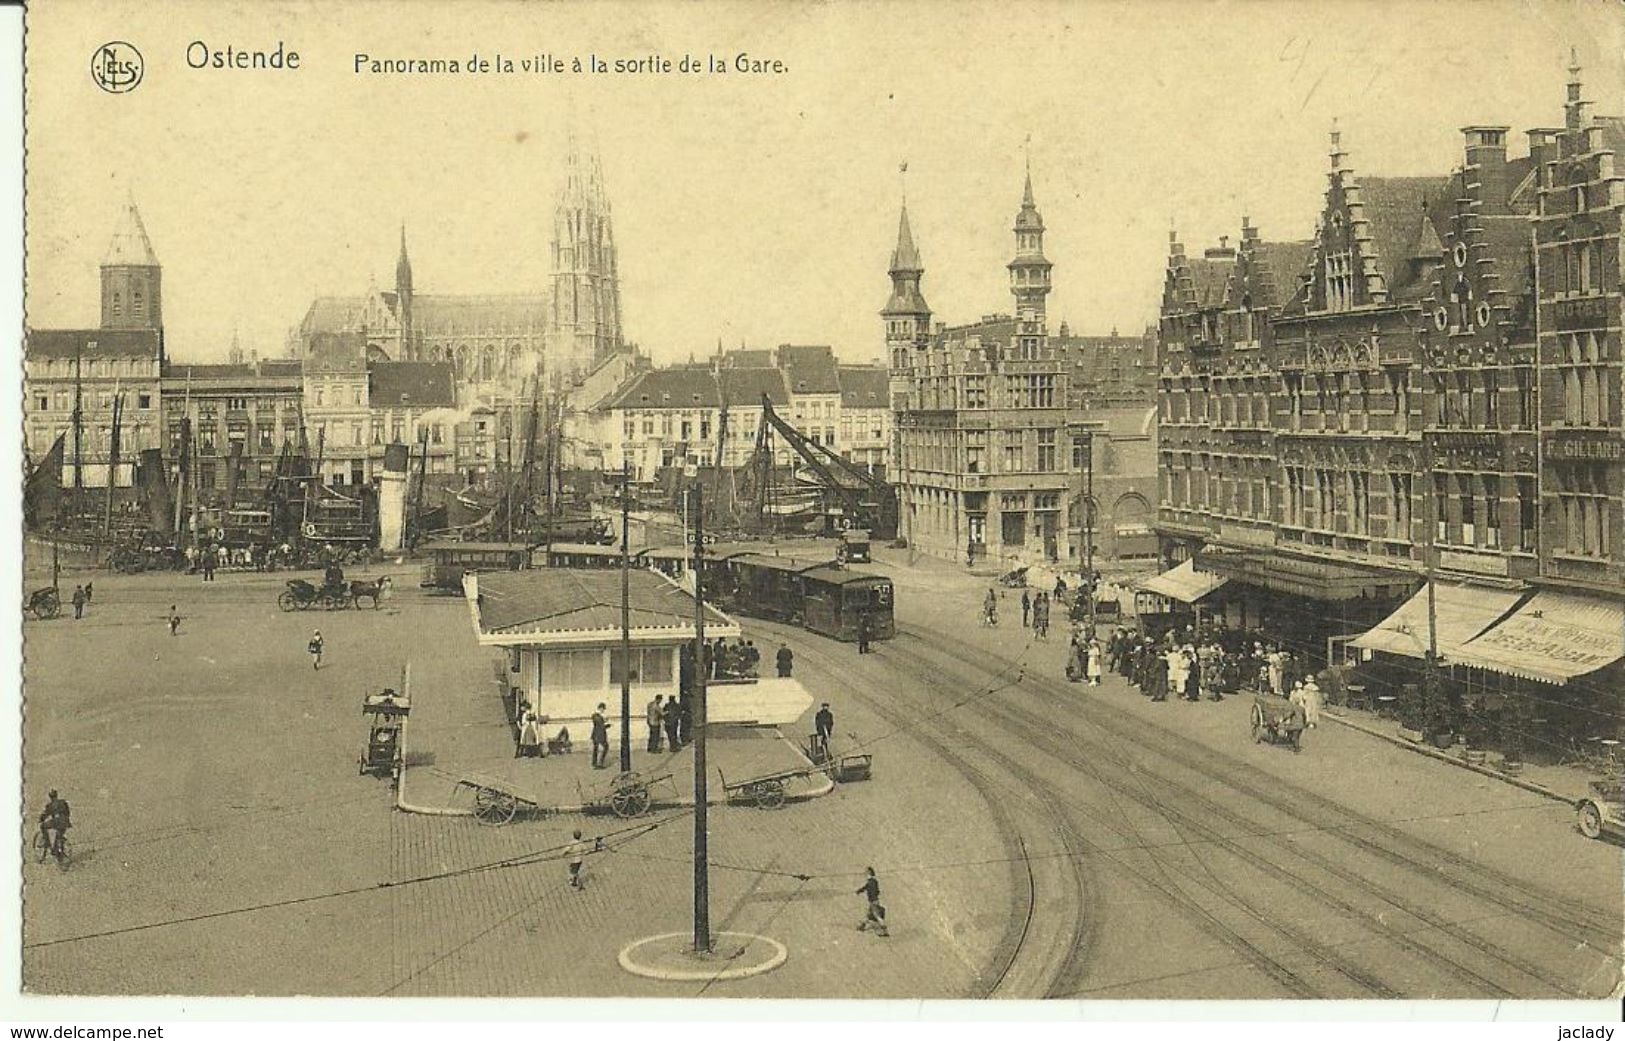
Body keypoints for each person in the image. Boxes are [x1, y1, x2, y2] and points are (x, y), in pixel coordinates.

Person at [856, 867, 888, 937]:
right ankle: (862, 926)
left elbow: (867, 888)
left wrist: (872, 900)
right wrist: (859, 891)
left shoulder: (870, 882)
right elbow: (875, 890)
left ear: (869, 873)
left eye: (866, 873)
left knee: (877, 917)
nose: (865, 874)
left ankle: (885, 932)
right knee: (868, 914)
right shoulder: (874, 881)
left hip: (873, 902)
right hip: (874, 901)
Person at [38, 789, 70, 859]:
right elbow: (68, 812)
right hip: (65, 822)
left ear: (50, 797)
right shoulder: (63, 802)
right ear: (56, 795)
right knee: (59, 834)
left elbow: (45, 815)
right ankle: (58, 849)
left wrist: (41, 819)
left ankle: (46, 841)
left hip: (56, 821)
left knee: (43, 826)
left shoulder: (49, 805)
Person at [590, 703, 610, 769]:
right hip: (599, 735)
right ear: (600, 708)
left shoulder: (597, 716)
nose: (603, 710)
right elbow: (600, 725)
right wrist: (606, 724)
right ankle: (599, 763)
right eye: (603, 709)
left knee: (596, 749)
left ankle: (595, 763)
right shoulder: (597, 716)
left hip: (596, 734)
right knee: (605, 747)